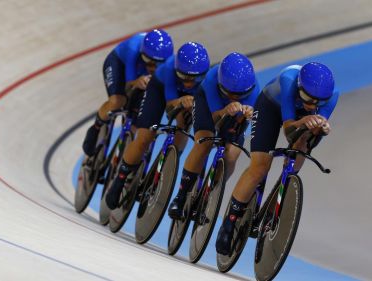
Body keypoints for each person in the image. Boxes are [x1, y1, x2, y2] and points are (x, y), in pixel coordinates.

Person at [215, 62, 339, 255]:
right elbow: (289, 130)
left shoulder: (331, 97)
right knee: (260, 167)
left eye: (317, 103)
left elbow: (311, 139)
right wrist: (305, 120)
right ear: (299, 87)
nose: (311, 105)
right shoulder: (288, 80)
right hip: (270, 108)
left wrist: (320, 130)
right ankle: (229, 222)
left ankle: (283, 188)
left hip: (301, 118)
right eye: (306, 97)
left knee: (304, 143)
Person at [105, 42, 211, 210]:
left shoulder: (207, 79)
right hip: (160, 90)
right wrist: (181, 101)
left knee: (183, 127)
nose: (190, 83)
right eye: (185, 77)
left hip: (186, 98)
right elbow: (169, 108)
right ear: (177, 70)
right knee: (145, 137)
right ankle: (120, 179)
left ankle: (171, 158)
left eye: (195, 78)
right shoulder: (168, 70)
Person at [167, 52, 261, 220]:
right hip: (210, 108)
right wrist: (225, 110)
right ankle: (181, 196)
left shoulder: (254, 90)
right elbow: (212, 119)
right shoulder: (210, 81)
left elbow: (252, 120)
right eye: (229, 93)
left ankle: (211, 194)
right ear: (221, 86)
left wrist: (247, 113)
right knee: (204, 143)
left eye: (239, 95)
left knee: (232, 155)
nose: (234, 98)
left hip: (235, 114)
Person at [82, 29, 174, 157]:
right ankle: (96, 127)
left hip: (141, 71)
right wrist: (136, 82)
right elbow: (129, 84)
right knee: (117, 101)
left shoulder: (169, 63)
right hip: (118, 63)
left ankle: (122, 155)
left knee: (137, 122)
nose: (153, 68)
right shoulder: (133, 49)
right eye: (150, 63)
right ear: (143, 54)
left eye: (159, 65)